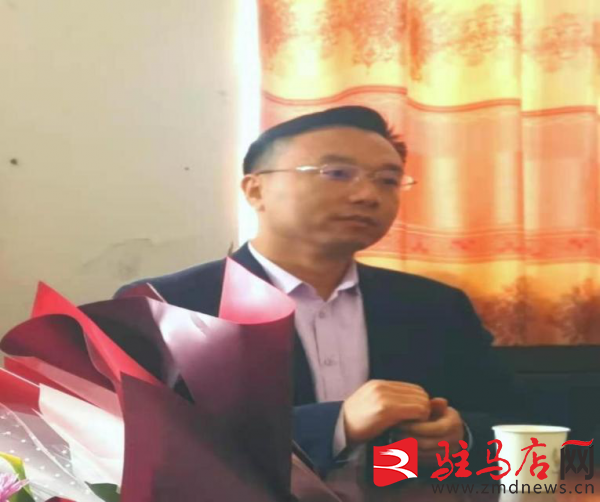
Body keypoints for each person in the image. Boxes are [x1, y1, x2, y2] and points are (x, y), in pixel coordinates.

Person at [117, 106, 518, 476]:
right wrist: (335, 425)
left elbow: (513, 420)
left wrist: (461, 436)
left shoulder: (435, 306)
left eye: (388, 180)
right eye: (337, 173)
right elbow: (133, 444)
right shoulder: (165, 306)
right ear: (255, 190)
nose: (367, 195)